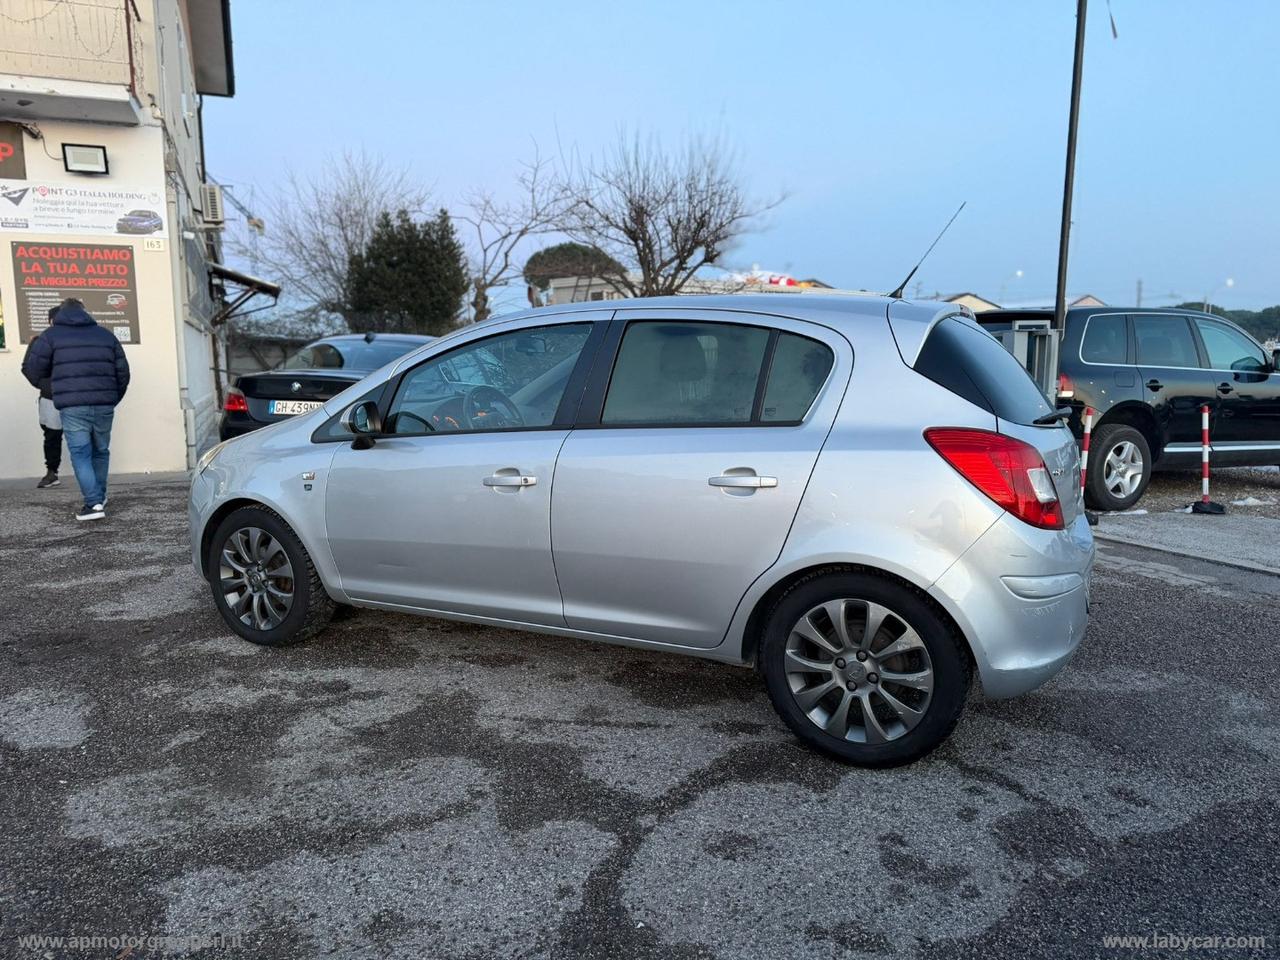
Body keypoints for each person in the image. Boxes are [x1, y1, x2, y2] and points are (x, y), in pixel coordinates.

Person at [21, 299, 130, 521]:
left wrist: (54, 390)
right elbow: (123, 374)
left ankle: (94, 503)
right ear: (85, 312)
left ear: (61, 314)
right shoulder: (105, 335)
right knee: (101, 451)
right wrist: (111, 399)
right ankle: (100, 496)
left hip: (72, 407)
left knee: (81, 453)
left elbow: (32, 369)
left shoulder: (51, 336)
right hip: (104, 404)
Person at [22, 307, 65, 488]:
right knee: (52, 436)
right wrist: (46, 386)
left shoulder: (78, 341)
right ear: (51, 321)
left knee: (86, 434)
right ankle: (52, 473)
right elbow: (28, 368)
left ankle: (91, 473)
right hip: (51, 398)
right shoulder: (40, 341)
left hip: (78, 396)